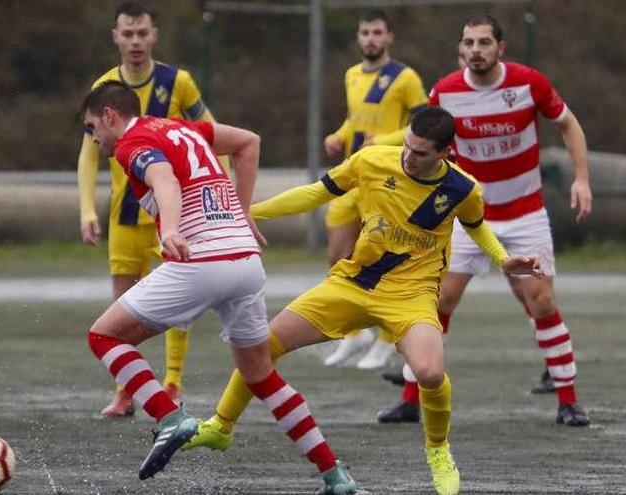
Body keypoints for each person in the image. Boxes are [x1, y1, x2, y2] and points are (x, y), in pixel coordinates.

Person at [183, 105, 543, 495]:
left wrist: (503, 259)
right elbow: (315, 193)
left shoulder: (463, 189)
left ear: (444, 152)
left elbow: (477, 227)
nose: (409, 156)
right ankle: (220, 427)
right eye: (407, 146)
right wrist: (249, 213)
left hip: (412, 295)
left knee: (431, 374)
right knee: (263, 345)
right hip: (353, 284)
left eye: (420, 153)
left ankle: (438, 451)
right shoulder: (372, 160)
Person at [79, 81, 356, 492]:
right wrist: (242, 214)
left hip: (201, 261)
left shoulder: (130, 144)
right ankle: (335, 476)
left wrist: (171, 229)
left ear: (108, 116)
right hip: (246, 262)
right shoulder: (183, 128)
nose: (94, 139)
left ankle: (170, 417)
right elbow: (248, 142)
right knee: (261, 375)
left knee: (103, 336)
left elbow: (165, 180)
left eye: (91, 128)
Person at [376, 14, 592, 427]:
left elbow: (569, 125)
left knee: (541, 299)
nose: (476, 50)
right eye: (469, 43)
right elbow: (422, 146)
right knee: (437, 300)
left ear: (500, 48)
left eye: (484, 43)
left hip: (525, 214)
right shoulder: (446, 91)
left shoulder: (529, 84)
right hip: (468, 216)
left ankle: (568, 401)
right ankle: (410, 398)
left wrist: (582, 179)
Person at [77, 2, 221, 417]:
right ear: (115, 37)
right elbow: (88, 155)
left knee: (178, 299)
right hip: (125, 215)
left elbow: (211, 137)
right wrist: (87, 209)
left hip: (175, 215)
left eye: (143, 33)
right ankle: (126, 390)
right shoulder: (103, 87)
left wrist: (222, 197)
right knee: (122, 303)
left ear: (154, 35)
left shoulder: (179, 82)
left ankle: (172, 382)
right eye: (128, 34)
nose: (136, 41)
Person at [321, 9, 429, 370]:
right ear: (358, 37)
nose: (370, 38)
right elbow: (355, 118)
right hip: (355, 175)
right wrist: (338, 137)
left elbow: (423, 123)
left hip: (389, 179)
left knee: (386, 261)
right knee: (338, 256)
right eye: (365, 32)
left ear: (389, 37)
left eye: (377, 32)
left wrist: (386, 140)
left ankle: (385, 339)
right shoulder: (351, 75)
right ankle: (355, 335)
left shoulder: (405, 77)